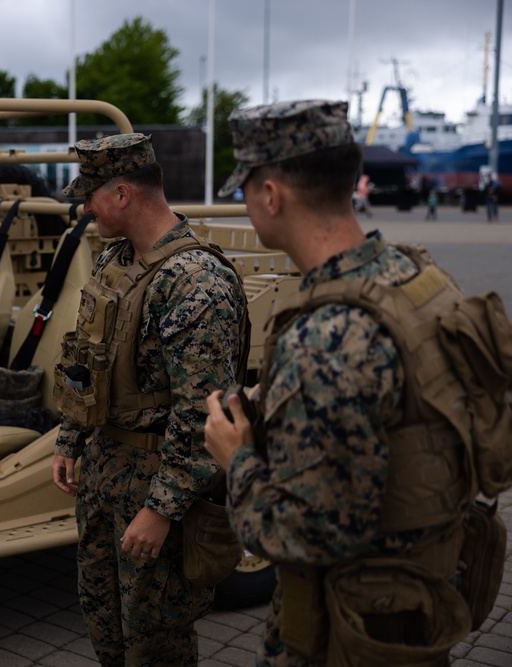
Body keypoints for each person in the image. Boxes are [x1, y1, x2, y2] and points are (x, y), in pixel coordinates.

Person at [204, 100, 478, 666]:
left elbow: (308, 534)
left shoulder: (324, 340)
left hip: (344, 636)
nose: (246, 202)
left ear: (271, 195)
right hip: (416, 611)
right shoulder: (424, 280)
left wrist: (239, 462)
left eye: (246, 188)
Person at [50, 134, 248, 666]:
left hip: (154, 485)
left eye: (89, 196)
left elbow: (201, 411)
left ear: (121, 194)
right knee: (109, 636)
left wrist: (162, 509)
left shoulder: (194, 281)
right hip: (104, 475)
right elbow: (86, 356)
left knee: (155, 646)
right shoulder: (116, 260)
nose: (84, 209)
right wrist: (71, 437)